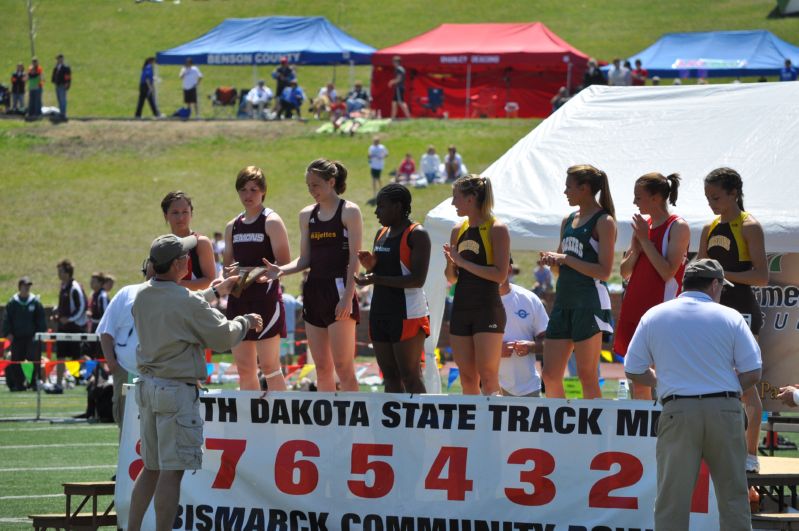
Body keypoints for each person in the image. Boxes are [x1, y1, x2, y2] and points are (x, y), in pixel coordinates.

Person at [127, 234, 262, 531]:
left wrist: (216, 290)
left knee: (150, 468)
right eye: (185, 257)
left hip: (148, 387)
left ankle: (131, 528)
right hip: (175, 392)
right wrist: (246, 321)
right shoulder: (184, 301)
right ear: (179, 264)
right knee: (171, 472)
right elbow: (222, 336)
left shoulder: (142, 294)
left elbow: (182, 304)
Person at [624, 258, 761, 531]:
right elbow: (753, 371)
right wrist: (730, 387)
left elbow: (633, 369)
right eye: (721, 286)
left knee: (672, 500)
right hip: (724, 410)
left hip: (678, 411)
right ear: (714, 284)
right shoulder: (730, 316)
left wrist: (660, 381)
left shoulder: (655, 315)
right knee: (733, 496)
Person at [261, 159, 363, 392]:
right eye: (308, 185)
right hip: (314, 290)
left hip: (339, 289)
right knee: (322, 367)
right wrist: (281, 270)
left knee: (343, 367)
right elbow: (305, 259)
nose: (311, 191)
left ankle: (355, 426)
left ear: (331, 182)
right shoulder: (307, 214)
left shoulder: (349, 211)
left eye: (316, 185)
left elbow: (355, 259)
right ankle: (327, 427)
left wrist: (348, 296)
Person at [698, 167, 769, 474]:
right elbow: (698, 270)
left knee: (746, 386)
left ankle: (750, 454)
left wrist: (723, 277)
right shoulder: (709, 227)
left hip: (742, 311)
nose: (711, 203)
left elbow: (762, 276)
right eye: (707, 197)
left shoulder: (749, 226)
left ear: (734, 194)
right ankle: (716, 451)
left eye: (716, 197)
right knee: (711, 382)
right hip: (712, 314)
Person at [540, 165, 617, 399]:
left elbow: (604, 272)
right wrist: (551, 261)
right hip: (564, 303)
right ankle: (558, 429)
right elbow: (560, 268)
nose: (565, 191)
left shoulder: (604, 221)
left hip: (589, 304)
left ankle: (595, 434)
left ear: (584, 188)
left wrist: (565, 259)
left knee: (587, 376)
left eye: (569, 186)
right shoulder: (568, 220)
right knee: (550, 375)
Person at [615, 173, 689, 400]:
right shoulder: (644, 226)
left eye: (639, 196)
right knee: (637, 376)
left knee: (661, 375)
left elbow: (668, 272)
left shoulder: (677, 226)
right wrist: (637, 248)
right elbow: (624, 271)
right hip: (635, 305)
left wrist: (646, 241)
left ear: (656, 198)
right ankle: (643, 433)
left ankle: (662, 427)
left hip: (661, 310)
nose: (635, 202)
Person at [355, 184, 431, 393]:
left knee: (410, 375)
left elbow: (417, 279)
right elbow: (383, 268)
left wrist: (376, 278)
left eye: (382, 206)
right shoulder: (381, 232)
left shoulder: (417, 234)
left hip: (407, 312)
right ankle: (393, 426)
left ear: (398, 207)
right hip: (380, 310)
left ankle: (421, 425)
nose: (376, 211)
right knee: (389, 376)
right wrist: (371, 264)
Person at [223, 166, 291, 391]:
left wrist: (252, 272)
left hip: (266, 301)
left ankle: (283, 424)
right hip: (239, 300)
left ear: (263, 191)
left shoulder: (271, 221)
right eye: (243, 190)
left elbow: (284, 264)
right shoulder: (232, 226)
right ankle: (251, 424)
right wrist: (230, 274)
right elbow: (227, 268)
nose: (248, 195)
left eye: (253, 189)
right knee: (244, 369)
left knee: (270, 367)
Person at [443, 175, 510, 395]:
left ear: (471, 198)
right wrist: (451, 263)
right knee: (467, 379)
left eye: (456, 198)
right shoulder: (457, 229)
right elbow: (451, 278)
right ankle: (472, 428)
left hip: (487, 308)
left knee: (488, 377)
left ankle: (494, 428)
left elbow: (500, 275)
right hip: (461, 307)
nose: (453, 203)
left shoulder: (496, 228)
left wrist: (461, 261)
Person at [97, 259, 153, 433]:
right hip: (126, 369)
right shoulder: (126, 293)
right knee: (126, 425)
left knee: (155, 424)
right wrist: (113, 365)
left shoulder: (171, 294)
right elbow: (106, 331)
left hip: (157, 371)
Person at [499, 259, 549, 397]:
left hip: (529, 389)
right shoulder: (479, 300)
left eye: (498, 265)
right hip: (491, 389)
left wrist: (531, 346)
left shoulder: (529, 299)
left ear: (509, 269)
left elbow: (549, 342)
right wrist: (495, 351)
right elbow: (467, 346)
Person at [160, 191, 215, 291]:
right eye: (175, 212)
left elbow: (209, 281)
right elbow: (150, 281)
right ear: (165, 215)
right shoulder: (160, 245)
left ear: (191, 214)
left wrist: (173, 285)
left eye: (185, 212)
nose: (180, 218)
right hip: (168, 305)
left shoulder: (201, 243)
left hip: (194, 304)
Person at [2, 277, 47, 391]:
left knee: (35, 361)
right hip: (17, 338)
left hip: (32, 338)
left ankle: (33, 382)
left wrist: (40, 333)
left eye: (28, 286)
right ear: (19, 287)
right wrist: (8, 333)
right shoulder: (13, 303)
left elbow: (41, 320)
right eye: (24, 286)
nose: (26, 288)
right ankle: (19, 384)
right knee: (16, 361)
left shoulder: (35, 302)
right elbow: (7, 320)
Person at [52, 259, 88, 392]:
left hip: (75, 328)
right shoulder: (63, 286)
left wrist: (69, 319)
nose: (59, 274)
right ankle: (59, 384)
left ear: (67, 273)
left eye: (61, 271)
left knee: (77, 357)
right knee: (60, 356)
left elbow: (82, 307)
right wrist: (57, 313)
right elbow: (64, 306)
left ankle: (89, 378)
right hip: (63, 328)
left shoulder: (75, 287)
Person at [86, 272, 109, 358]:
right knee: (92, 353)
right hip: (94, 326)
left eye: (94, 281)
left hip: (100, 328)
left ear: (100, 283)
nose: (91, 283)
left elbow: (106, 315)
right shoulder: (94, 294)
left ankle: (104, 371)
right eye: (91, 281)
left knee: (100, 355)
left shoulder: (102, 296)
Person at [368, 137, 389, 201]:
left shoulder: (382, 147)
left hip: (379, 166)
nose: (375, 142)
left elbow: (387, 154)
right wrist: (370, 156)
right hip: (373, 165)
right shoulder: (371, 147)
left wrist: (381, 157)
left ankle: (382, 191)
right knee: (374, 179)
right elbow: (369, 155)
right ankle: (375, 193)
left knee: (378, 178)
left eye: (376, 141)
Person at [51, 53, 71, 118]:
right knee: (59, 99)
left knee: (63, 100)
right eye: (57, 59)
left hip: (62, 85)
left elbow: (68, 77)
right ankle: (60, 113)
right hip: (57, 85)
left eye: (59, 59)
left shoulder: (65, 67)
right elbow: (54, 75)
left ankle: (63, 114)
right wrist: (54, 81)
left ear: (62, 59)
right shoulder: (56, 67)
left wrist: (67, 84)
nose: (58, 60)